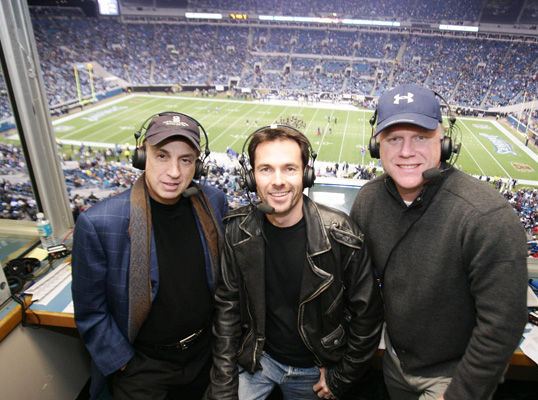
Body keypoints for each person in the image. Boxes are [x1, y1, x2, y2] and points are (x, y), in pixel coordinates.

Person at [350, 84, 528, 400]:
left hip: (454, 375)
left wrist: (462, 393)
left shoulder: (486, 215)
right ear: (377, 146)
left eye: (421, 137)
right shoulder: (368, 201)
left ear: (444, 143)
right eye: (394, 139)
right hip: (395, 362)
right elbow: (357, 289)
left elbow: (503, 323)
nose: (406, 151)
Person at [207, 125, 383, 400]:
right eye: (266, 169)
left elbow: (367, 316)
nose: (278, 181)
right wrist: (223, 386)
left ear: (306, 173)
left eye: (289, 168)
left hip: (314, 369)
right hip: (257, 360)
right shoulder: (236, 230)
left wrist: (341, 377)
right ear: (251, 177)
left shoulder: (341, 234)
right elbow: (227, 310)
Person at [72, 112, 228, 399]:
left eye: (186, 160)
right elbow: (90, 311)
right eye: (162, 156)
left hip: (205, 356)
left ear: (198, 165)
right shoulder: (98, 223)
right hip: (143, 367)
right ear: (142, 156)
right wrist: (125, 365)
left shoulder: (214, 202)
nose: (174, 172)